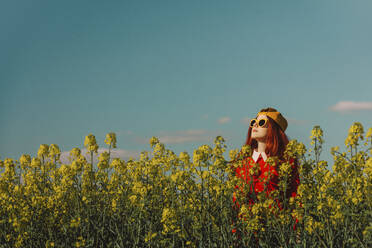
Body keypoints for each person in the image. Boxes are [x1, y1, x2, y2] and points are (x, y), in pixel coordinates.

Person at [230, 107, 300, 237]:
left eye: (261, 123)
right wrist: (235, 232)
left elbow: (295, 197)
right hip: (246, 233)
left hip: (276, 231)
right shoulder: (242, 162)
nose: (255, 125)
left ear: (274, 129)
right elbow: (236, 201)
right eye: (253, 122)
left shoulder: (285, 162)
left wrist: (296, 231)